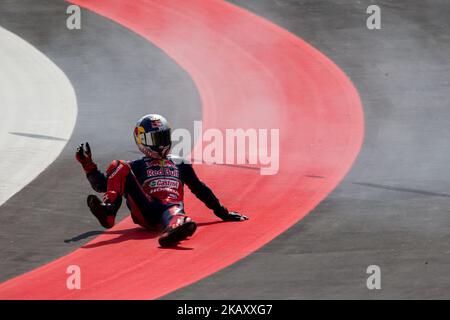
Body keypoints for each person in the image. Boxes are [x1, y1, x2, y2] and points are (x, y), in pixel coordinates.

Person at [76, 114, 248, 247]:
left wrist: (222, 212)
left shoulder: (181, 162)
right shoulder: (134, 165)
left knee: (176, 213)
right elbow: (103, 185)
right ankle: (109, 212)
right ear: (141, 140)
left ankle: (175, 229)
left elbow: (199, 188)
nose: (160, 144)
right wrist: (88, 165)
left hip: (171, 207)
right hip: (146, 207)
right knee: (118, 165)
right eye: (155, 140)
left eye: (163, 138)